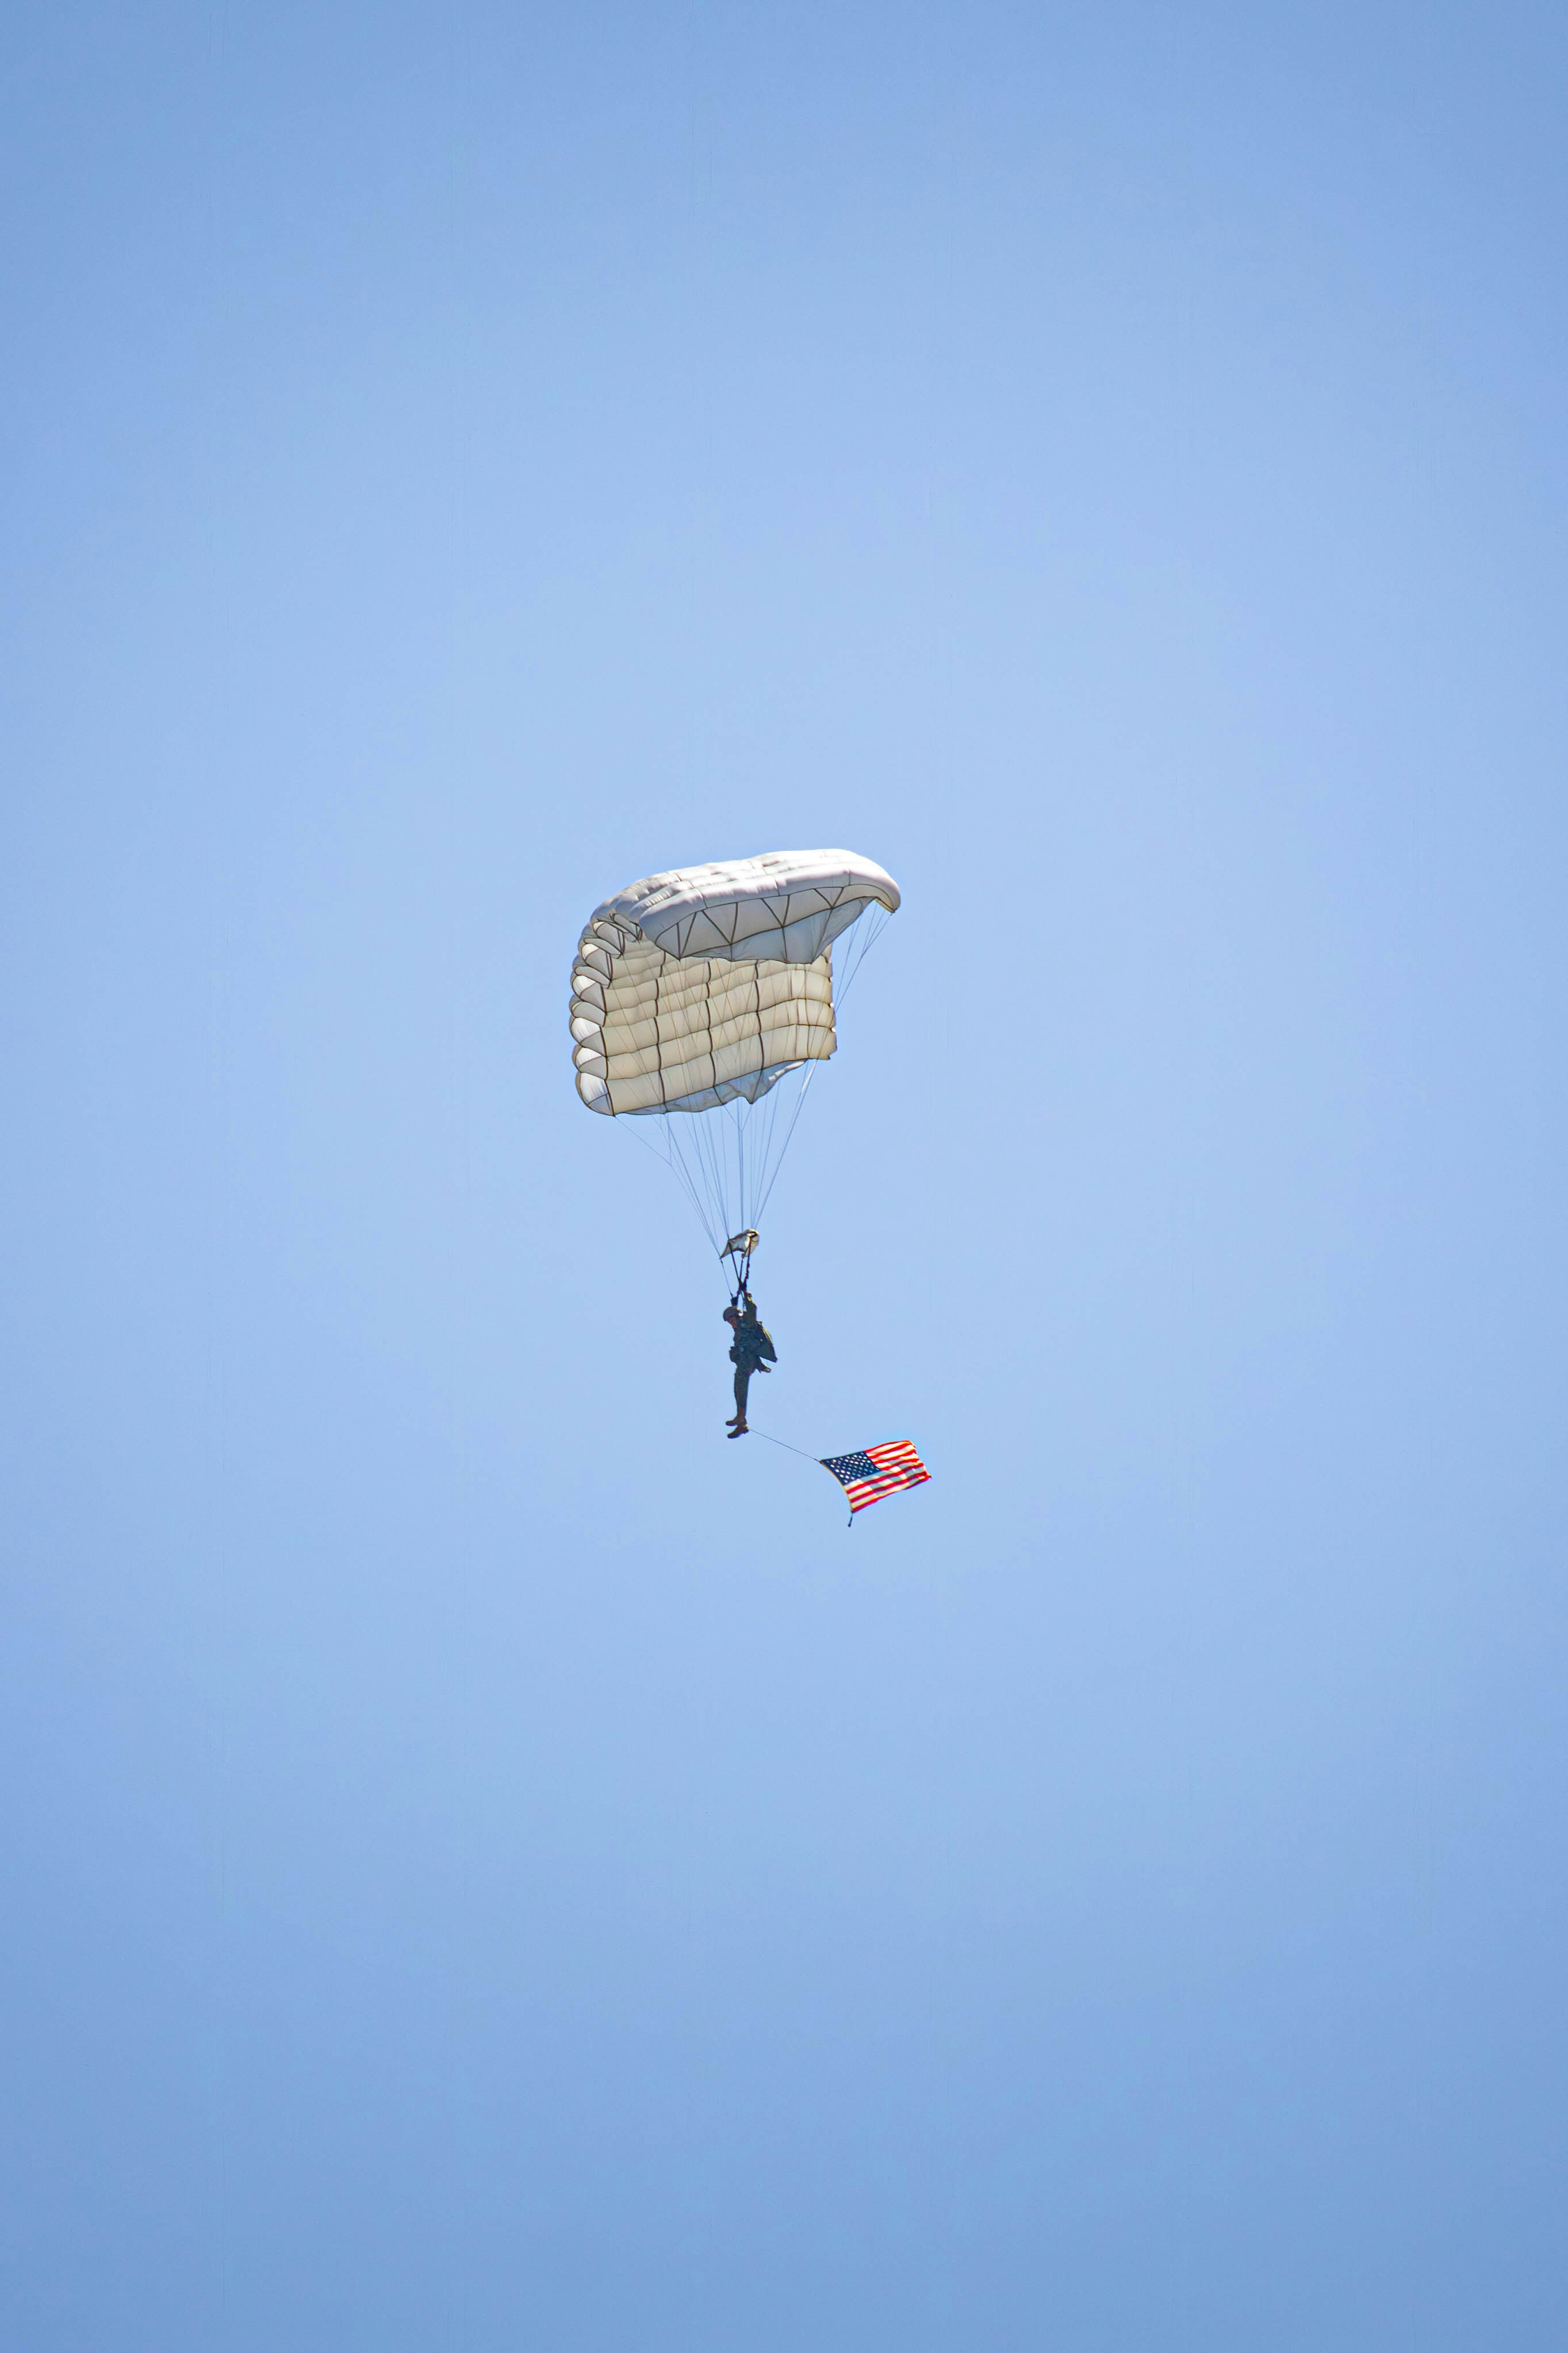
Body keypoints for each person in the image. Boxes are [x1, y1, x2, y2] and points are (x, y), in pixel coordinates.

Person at [723, 1292, 776, 1436]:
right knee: (738, 1388)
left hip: (748, 1362)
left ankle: (741, 1418)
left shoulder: (747, 1321)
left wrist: (747, 1297)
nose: (732, 1323)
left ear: (738, 1317)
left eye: (732, 1319)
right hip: (743, 1363)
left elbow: (752, 1310)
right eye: (730, 1321)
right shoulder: (738, 1331)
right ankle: (741, 1421)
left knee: (740, 1385)